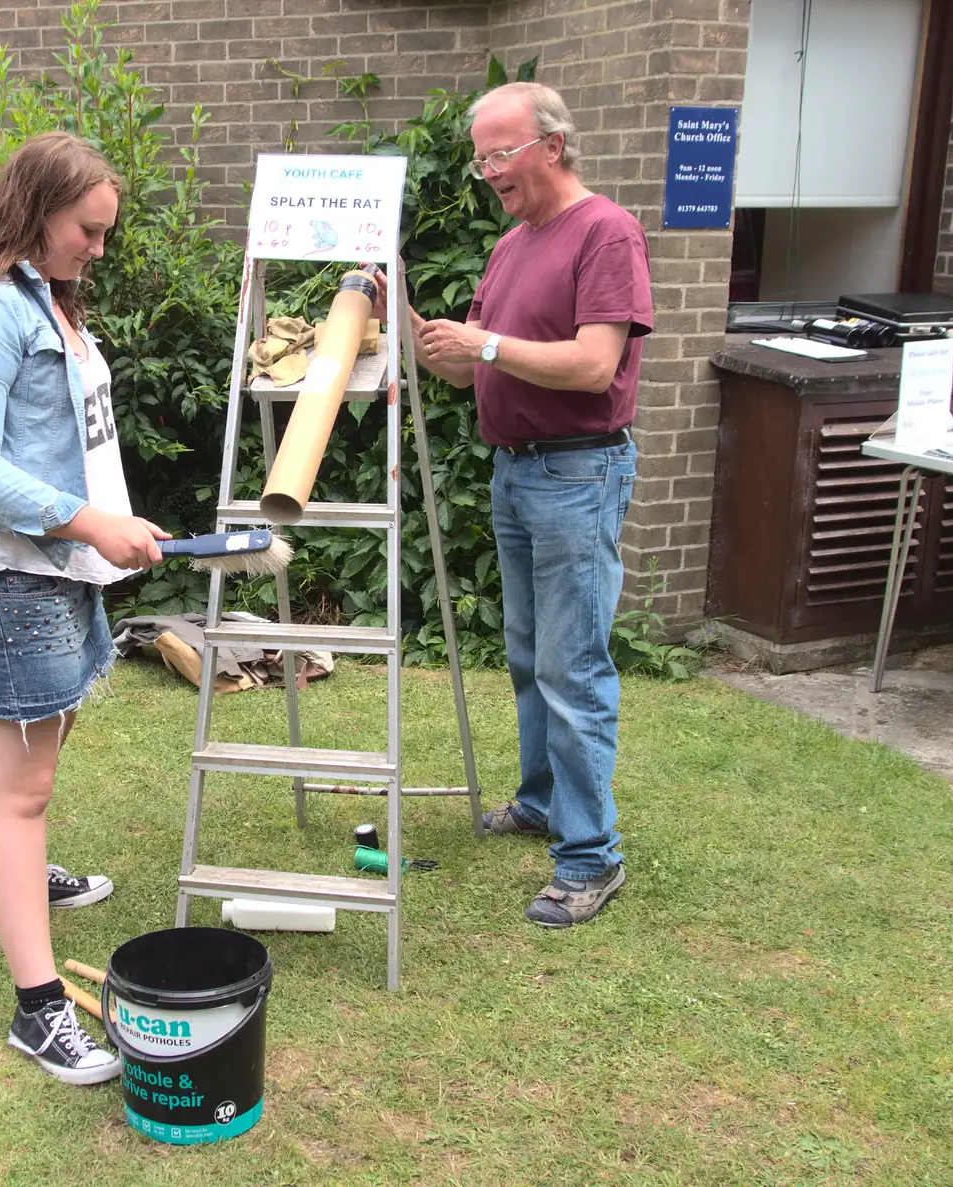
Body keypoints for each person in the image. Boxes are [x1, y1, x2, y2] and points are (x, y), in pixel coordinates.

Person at [0, 131, 168, 1084]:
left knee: (38, 768)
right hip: (4, 569)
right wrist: (91, 522)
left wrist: (102, 525)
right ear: (34, 211)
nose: (97, 250)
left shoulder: (44, 301)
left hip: (53, 566)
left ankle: (29, 875)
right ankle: (39, 1011)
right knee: (16, 792)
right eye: (87, 230)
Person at [379, 82, 652, 928]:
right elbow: (467, 367)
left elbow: (594, 365)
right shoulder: (511, 244)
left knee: (574, 667)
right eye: (480, 155)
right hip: (517, 474)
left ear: (553, 147)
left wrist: (486, 342)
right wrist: (407, 316)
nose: (487, 169)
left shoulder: (607, 232)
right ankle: (542, 803)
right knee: (532, 654)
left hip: (578, 474)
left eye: (500, 152)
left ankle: (589, 857)